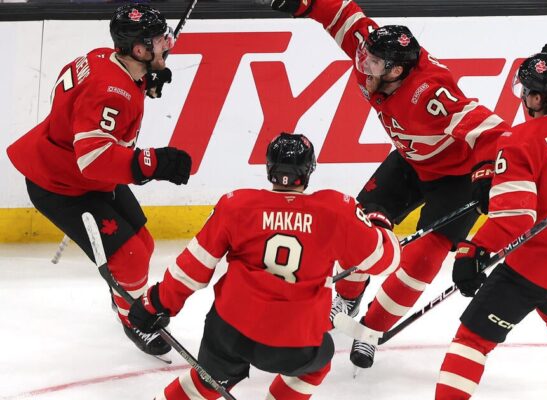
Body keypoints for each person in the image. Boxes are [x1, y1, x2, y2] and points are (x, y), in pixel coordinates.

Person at [269, 0, 510, 368]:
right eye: (365, 58)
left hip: (455, 178)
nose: (363, 66)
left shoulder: (431, 92)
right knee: (359, 226)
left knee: (423, 259)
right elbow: (346, 15)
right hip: (411, 162)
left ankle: (372, 329)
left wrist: (486, 175)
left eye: (374, 64)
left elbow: (491, 130)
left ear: (398, 70)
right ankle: (349, 297)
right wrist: (308, 4)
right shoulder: (375, 54)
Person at [127, 132, 402, 399]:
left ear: (269, 169)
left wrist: (156, 303)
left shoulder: (237, 205)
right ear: (308, 170)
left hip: (229, 330)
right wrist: (379, 225)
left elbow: (193, 268)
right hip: (293, 342)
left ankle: (209, 381)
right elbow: (385, 261)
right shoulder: (335, 210)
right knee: (319, 361)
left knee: (206, 381)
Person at [6, 3, 191, 358]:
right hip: (60, 186)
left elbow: (85, 111)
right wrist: (155, 162)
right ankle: (131, 319)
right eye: (158, 40)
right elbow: (93, 159)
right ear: (138, 50)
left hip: (78, 174)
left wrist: (143, 81)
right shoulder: (110, 91)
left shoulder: (104, 59)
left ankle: (121, 293)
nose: (167, 43)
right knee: (132, 256)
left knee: (145, 244)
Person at [435, 45, 547, 400]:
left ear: (538, 99)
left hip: (535, 270)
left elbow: (515, 219)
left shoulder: (519, 142)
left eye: (527, 91)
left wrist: (472, 250)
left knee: (472, 340)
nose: (523, 97)